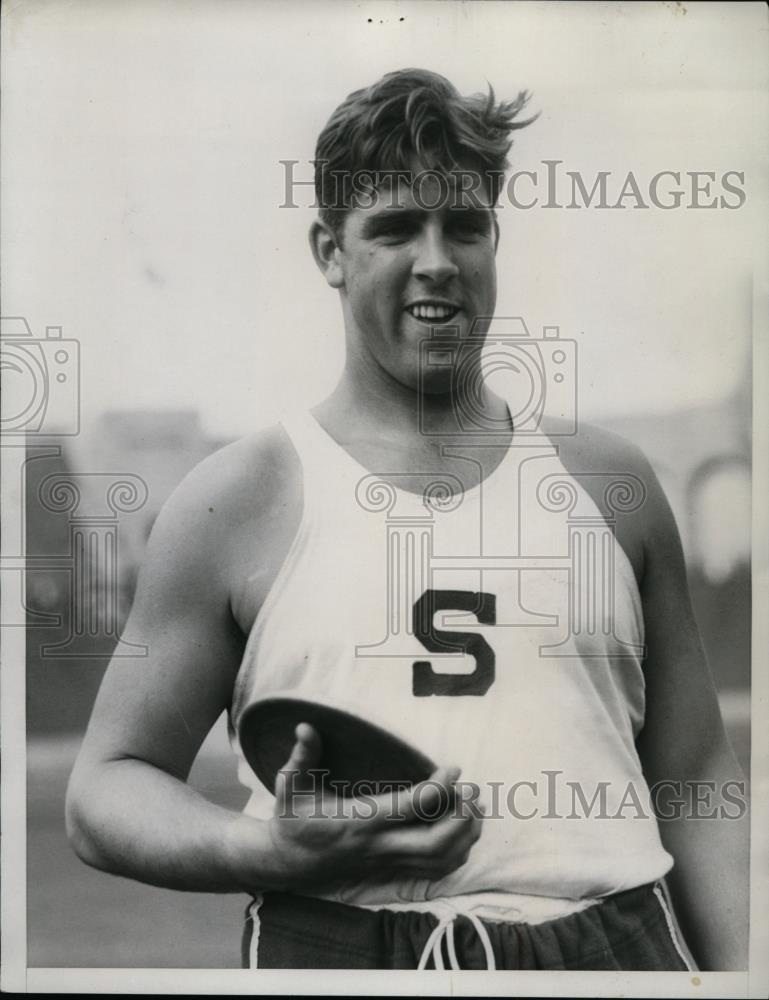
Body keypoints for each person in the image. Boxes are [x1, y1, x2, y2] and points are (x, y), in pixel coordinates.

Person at [65, 68, 748, 971]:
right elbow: (105, 789)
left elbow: (696, 779)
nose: (436, 259)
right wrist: (257, 849)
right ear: (328, 250)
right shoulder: (238, 497)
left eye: (463, 224)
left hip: (611, 946)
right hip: (343, 948)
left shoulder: (608, 482)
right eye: (393, 227)